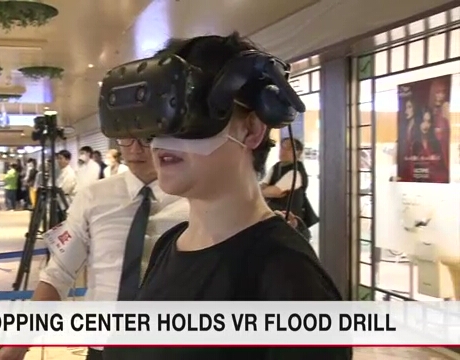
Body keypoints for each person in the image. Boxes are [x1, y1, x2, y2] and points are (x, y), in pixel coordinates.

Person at [103, 33, 351, 360]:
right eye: (158, 120)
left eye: (189, 114)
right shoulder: (170, 244)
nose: (163, 140)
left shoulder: (289, 278)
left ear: (251, 129)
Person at [0, 137, 189, 360]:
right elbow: (58, 274)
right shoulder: (93, 197)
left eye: (147, 138)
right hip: (103, 345)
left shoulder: (199, 198)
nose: (135, 149)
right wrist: (20, 342)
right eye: (127, 137)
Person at [261, 137, 318, 233]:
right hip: (274, 219)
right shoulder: (276, 167)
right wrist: (265, 191)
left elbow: (275, 191)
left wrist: (266, 191)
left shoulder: (296, 172)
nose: (283, 150)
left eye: (288, 148)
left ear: (298, 152)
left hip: (290, 223)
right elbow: (262, 186)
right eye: (282, 147)